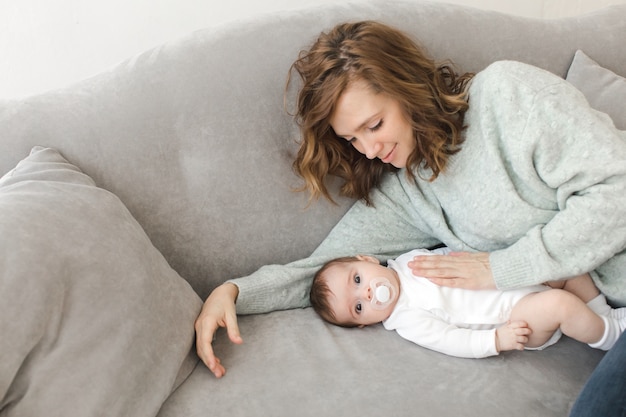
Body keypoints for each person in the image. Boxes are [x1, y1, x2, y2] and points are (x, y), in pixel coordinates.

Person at [194, 21, 626, 379]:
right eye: (352, 138)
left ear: (407, 87)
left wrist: (501, 269)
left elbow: (618, 190)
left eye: (375, 123)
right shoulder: (410, 191)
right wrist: (233, 292)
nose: (368, 150)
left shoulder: (505, 95)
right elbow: (324, 272)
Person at [310, 247, 626, 358]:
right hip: (516, 317)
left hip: (511, 279)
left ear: (366, 260)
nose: (366, 294)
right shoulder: (405, 319)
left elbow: (455, 253)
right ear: (366, 323)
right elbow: (450, 340)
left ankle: (604, 315)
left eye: (357, 280)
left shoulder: (408, 260)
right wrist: (495, 340)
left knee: (570, 269)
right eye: (359, 308)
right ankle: (609, 338)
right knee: (559, 304)